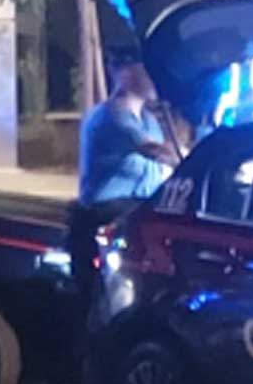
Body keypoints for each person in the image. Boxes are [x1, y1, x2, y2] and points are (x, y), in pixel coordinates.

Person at [69, 53, 180, 310]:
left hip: (139, 209)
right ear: (127, 74)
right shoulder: (111, 115)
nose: (156, 80)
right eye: (148, 72)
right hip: (109, 213)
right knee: (117, 294)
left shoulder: (149, 120)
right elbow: (157, 152)